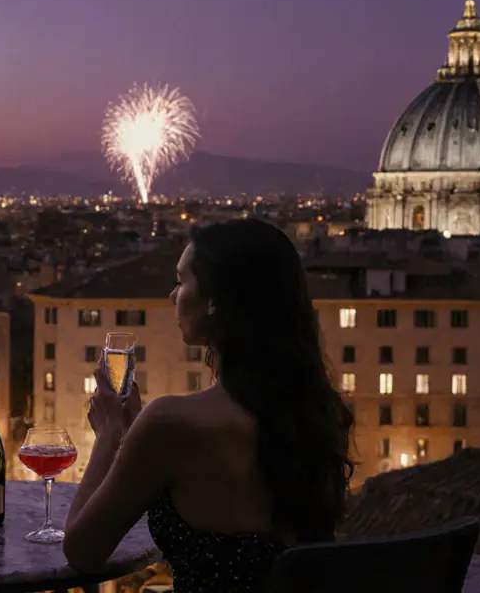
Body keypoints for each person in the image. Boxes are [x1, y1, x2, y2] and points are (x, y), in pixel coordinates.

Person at [63, 219, 354, 592]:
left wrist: (110, 434)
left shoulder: (171, 423)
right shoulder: (320, 412)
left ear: (214, 299)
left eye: (181, 282)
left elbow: (82, 551)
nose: (173, 296)